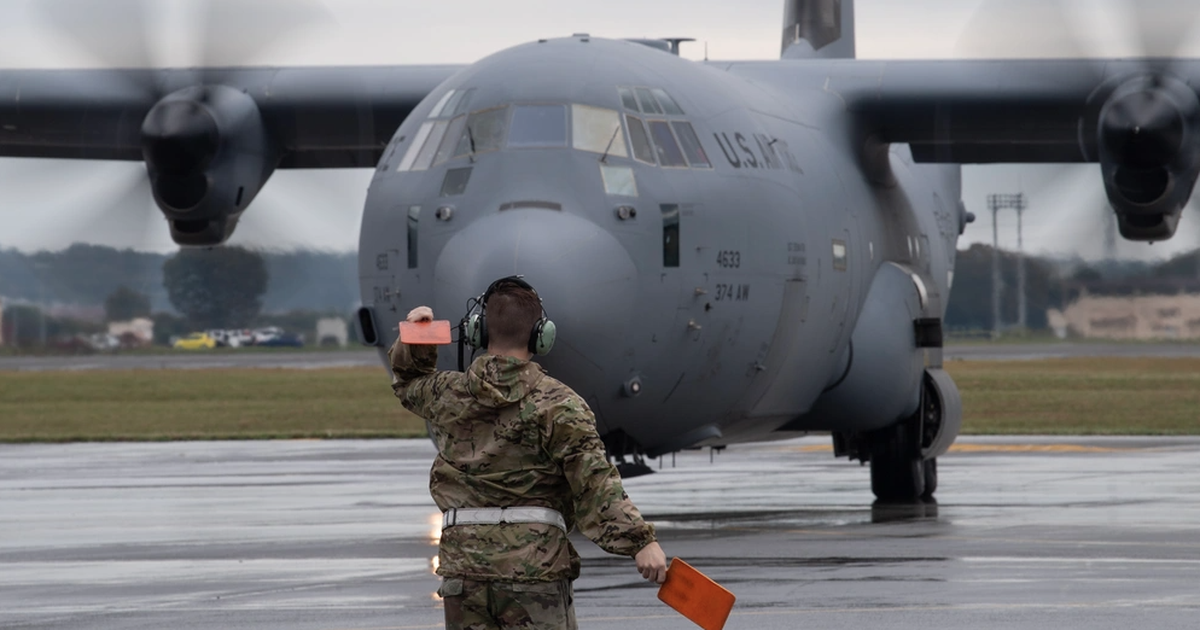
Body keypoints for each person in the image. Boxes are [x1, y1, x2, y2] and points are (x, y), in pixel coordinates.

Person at [388, 277, 667, 630]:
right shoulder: (560, 405)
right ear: (541, 335)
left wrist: (415, 337)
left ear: (480, 330)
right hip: (534, 571)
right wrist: (640, 542)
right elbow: (595, 483)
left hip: (463, 572)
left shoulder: (446, 393)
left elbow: (408, 381)